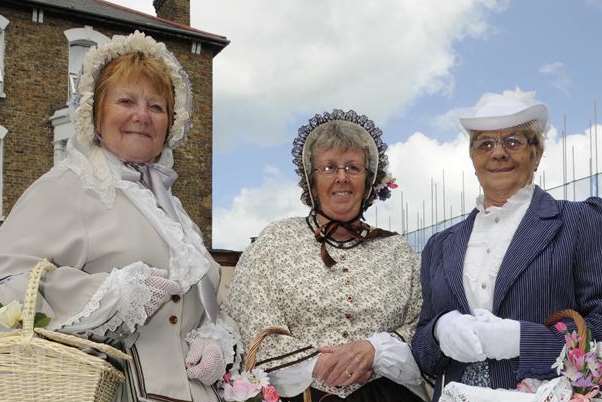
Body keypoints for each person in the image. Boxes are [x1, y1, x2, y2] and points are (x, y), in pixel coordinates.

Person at [0, 31, 240, 402]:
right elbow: (11, 280)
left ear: (170, 125)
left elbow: (200, 306)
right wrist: (113, 295)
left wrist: (214, 339)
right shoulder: (69, 185)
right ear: (96, 115)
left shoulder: (172, 210)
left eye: (157, 107)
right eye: (126, 101)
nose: (142, 116)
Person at [411, 91, 602, 401]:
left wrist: (521, 339)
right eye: (485, 143)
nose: (498, 153)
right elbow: (420, 351)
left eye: (513, 141)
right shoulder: (439, 246)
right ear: (473, 158)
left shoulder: (580, 222)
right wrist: (438, 332)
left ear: (537, 154)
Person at [225, 110, 427, 402]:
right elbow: (251, 315)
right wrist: (316, 364)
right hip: (300, 394)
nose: (342, 178)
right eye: (329, 168)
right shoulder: (275, 241)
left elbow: (422, 323)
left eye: (353, 168)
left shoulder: (399, 251)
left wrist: (376, 350)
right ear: (311, 180)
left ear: (369, 180)